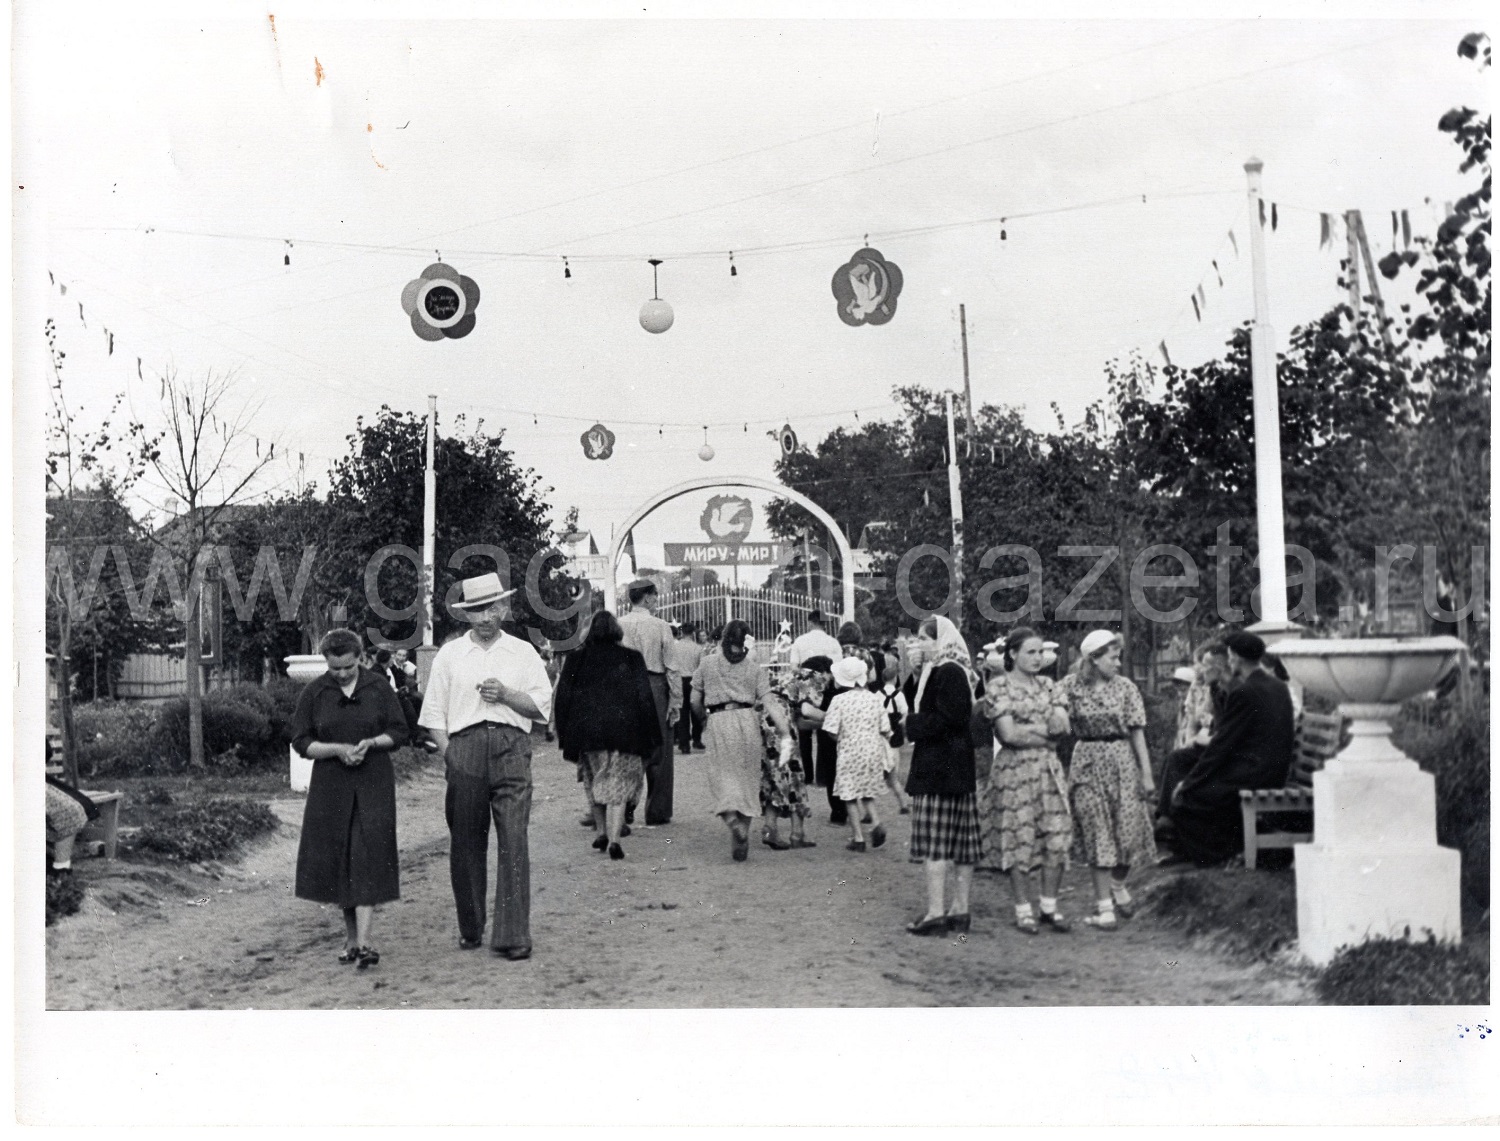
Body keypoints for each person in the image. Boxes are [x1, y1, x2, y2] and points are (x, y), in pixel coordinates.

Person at [418, 572, 554, 960]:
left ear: (505, 608)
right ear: (466, 614)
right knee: (465, 841)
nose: (486, 617)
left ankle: (513, 935)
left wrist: (509, 695)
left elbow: (542, 709)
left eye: (493, 607)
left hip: (511, 748)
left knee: (514, 839)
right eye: (477, 610)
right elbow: (433, 716)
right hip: (465, 748)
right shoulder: (450, 655)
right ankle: (471, 926)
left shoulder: (523, 653)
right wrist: (451, 755)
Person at [289, 628, 410, 968]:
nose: (342, 674)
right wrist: (337, 750)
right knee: (341, 858)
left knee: (367, 855)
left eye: (348, 667)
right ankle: (352, 939)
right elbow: (301, 741)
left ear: (361, 658)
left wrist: (372, 743)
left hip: (373, 782)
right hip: (332, 785)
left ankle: (366, 941)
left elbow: (400, 730)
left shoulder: (378, 688)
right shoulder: (316, 692)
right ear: (326, 662)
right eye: (335, 668)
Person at [1162, 631, 1296, 867]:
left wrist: (1189, 783)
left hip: (1255, 772)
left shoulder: (1246, 692)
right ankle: (1191, 843)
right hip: (1268, 767)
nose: (1230, 661)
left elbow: (1222, 746)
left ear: (1236, 659)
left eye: (1231, 657)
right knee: (1185, 770)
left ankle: (1221, 855)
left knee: (1189, 799)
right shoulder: (1277, 686)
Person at [1059, 630, 1157, 930]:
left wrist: (1147, 773)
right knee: (1097, 832)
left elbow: (1137, 731)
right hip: (1087, 760)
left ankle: (1117, 884)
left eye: (1119, 657)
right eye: (1112, 657)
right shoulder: (1070, 686)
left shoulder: (1125, 688)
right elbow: (1053, 712)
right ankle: (1105, 909)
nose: (1118, 663)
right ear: (1093, 659)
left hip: (1121, 760)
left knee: (1128, 832)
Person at [981, 628, 1074, 934]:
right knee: (1018, 836)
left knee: (1056, 836)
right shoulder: (999, 687)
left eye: (1040, 653)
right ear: (1012, 654)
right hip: (1015, 772)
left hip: (1049, 770)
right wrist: (1043, 731)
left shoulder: (1050, 685)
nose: (1038, 659)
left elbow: (1063, 728)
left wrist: (1032, 729)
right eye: (1030, 652)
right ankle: (1023, 909)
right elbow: (1008, 734)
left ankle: (1049, 906)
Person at [553, 611, 661, 861]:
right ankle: (614, 839)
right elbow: (645, 699)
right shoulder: (632, 658)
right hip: (626, 733)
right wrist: (652, 735)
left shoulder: (576, 659)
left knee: (595, 781)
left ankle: (601, 831)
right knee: (619, 784)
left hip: (588, 734)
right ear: (616, 631)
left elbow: (563, 700)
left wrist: (564, 731)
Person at [901, 616, 981, 935]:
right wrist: (917, 671)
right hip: (954, 766)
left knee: (936, 843)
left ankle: (937, 912)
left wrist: (910, 727)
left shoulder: (948, 670)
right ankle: (959, 910)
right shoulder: (947, 668)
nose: (919, 644)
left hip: (940, 766)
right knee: (960, 843)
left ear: (940, 639)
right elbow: (920, 701)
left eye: (924, 638)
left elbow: (950, 719)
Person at [691, 620, 794, 862]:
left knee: (721, 777)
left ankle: (732, 822)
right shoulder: (755, 668)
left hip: (718, 720)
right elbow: (770, 702)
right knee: (747, 781)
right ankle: (742, 833)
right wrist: (785, 731)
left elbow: (695, 700)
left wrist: (701, 720)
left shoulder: (707, 663)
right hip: (748, 721)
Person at [617, 579, 679, 826]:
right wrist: (676, 701)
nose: (657, 600)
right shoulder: (661, 626)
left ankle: (625, 802)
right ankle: (657, 811)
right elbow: (672, 668)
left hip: (625, 688)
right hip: (654, 686)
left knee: (627, 748)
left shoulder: (618, 624)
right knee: (660, 751)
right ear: (647, 598)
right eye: (655, 596)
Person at [1154, 643, 1228, 838]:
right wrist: (1193, 739)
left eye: (1202, 665)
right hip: (1209, 740)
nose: (1198, 670)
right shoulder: (1210, 687)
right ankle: (1165, 817)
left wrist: (1202, 737)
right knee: (1176, 757)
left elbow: (1223, 730)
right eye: (1198, 665)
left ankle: (1170, 820)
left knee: (1181, 762)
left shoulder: (1227, 689)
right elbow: (1195, 720)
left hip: (1223, 751)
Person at [822, 656, 892, 851]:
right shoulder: (874, 699)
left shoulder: (838, 700)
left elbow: (831, 731)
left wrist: (843, 739)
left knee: (849, 796)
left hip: (849, 752)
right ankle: (876, 823)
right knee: (867, 791)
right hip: (872, 750)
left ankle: (858, 838)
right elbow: (885, 727)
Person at [759, 667, 814, 850]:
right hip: (781, 718)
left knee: (772, 776)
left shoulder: (781, 676)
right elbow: (806, 710)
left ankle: (769, 828)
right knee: (794, 774)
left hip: (762, 715)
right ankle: (797, 833)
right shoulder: (808, 678)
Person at [879, 658, 912, 814]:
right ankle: (903, 803)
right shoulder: (899, 696)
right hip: (896, 734)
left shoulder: (877, 694)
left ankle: (868, 811)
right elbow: (905, 713)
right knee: (894, 770)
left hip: (880, 734)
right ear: (894, 678)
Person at [670, 620, 706, 753]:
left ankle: (684, 743)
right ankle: (697, 740)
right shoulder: (698, 648)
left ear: (681, 632)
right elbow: (702, 668)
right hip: (694, 681)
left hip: (679, 680)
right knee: (696, 710)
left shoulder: (675, 647)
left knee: (683, 712)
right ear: (693, 633)